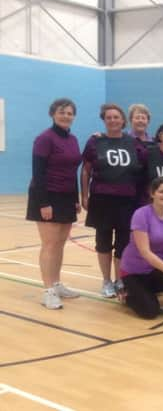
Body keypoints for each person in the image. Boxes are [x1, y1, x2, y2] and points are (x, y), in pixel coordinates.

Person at [81, 103, 147, 298]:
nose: (112, 120)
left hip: (127, 201)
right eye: (108, 117)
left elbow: (143, 169)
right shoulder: (95, 142)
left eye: (116, 117)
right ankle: (106, 280)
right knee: (103, 241)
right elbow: (85, 170)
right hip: (102, 199)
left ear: (123, 120)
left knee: (123, 242)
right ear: (104, 120)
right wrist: (84, 195)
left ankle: (119, 279)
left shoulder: (133, 143)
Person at [26, 98, 82, 309]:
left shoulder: (73, 139)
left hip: (66, 196)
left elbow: (72, 171)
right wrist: (44, 203)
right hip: (46, 196)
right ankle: (48, 290)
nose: (66, 116)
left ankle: (57, 284)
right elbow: (38, 172)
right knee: (49, 244)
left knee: (60, 243)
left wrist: (75, 199)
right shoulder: (44, 138)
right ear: (53, 114)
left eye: (69, 113)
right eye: (62, 112)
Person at [119, 178, 163, 319]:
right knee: (150, 312)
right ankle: (127, 295)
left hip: (156, 269)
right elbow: (145, 252)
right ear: (152, 194)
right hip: (134, 271)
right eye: (161, 191)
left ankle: (146, 291)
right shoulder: (141, 214)